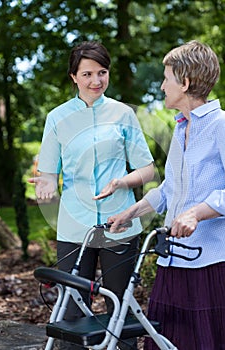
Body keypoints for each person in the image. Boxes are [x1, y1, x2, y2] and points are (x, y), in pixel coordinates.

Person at [29, 41, 154, 349]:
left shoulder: (123, 114)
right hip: (74, 226)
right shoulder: (57, 118)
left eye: (102, 72)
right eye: (87, 74)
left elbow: (147, 169)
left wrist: (123, 182)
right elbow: (47, 172)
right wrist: (45, 184)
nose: (96, 81)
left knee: (121, 309)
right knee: (71, 308)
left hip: (120, 223)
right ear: (74, 77)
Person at [107, 40, 225, 350]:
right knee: (166, 341)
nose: (161, 86)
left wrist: (197, 212)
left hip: (210, 263)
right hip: (172, 260)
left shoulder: (222, 126)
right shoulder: (180, 128)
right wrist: (131, 213)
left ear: (185, 82)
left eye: (167, 78)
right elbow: (169, 189)